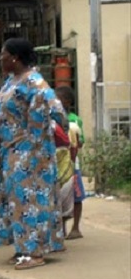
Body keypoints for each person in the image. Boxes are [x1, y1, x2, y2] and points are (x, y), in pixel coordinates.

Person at [0, 37, 67, 270]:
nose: (0, 58)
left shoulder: (35, 82)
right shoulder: (11, 81)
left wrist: (33, 134)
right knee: (15, 201)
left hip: (29, 155)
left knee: (29, 200)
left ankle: (35, 252)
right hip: (9, 152)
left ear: (15, 57)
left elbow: (57, 110)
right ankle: (23, 248)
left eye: (3, 54)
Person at [56, 85, 86, 240]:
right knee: (61, 196)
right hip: (59, 163)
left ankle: (76, 227)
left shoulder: (74, 120)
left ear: (67, 102)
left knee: (76, 196)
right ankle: (62, 228)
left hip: (73, 165)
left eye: (58, 100)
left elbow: (80, 142)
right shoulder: (55, 119)